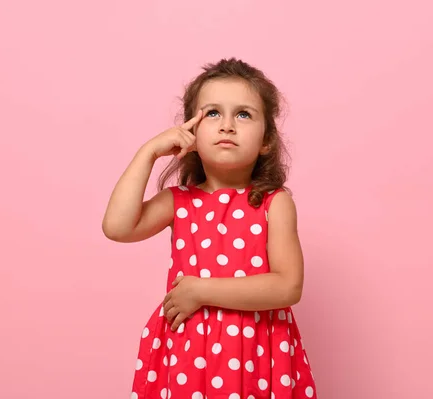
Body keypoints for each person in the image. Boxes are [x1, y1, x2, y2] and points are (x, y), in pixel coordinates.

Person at [102, 58, 317, 398]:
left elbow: (288, 287)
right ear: (190, 132)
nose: (227, 125)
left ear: (266, 141)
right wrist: (149, 152)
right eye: (212, 113)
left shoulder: (274, 203)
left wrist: (200, 291)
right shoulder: (179, 201)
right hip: (188, 353)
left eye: (243, 114)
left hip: (257, 354)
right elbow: (117, 227)